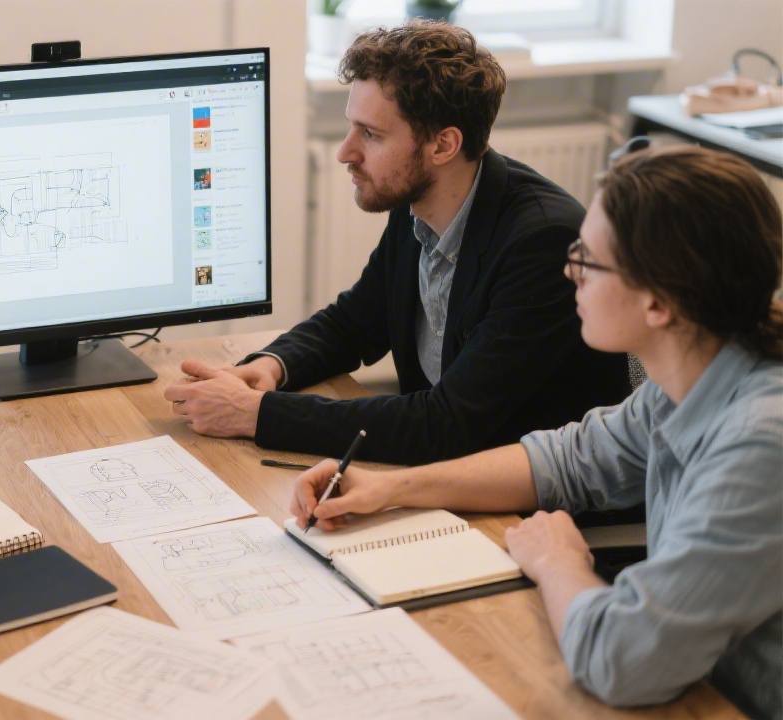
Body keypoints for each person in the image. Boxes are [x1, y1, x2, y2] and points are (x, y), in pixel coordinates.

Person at [290, 145, 782, 718]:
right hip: (694, 681)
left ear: (659, 303)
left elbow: (621, 661)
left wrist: (558, 561)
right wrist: (388, 489)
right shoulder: (695, 377)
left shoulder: (758, 445)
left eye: (590, 261)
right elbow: (564, 459)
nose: (570, 270)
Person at [166, 21, 629, 464]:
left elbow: (447, 423)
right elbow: (355, 322)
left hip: (531, 511)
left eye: (371, 134)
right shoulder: (421, 203)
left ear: (443, 146)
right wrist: (273, 365)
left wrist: (255, 414)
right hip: (450, 474)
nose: (345, 152)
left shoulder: (543, 242)